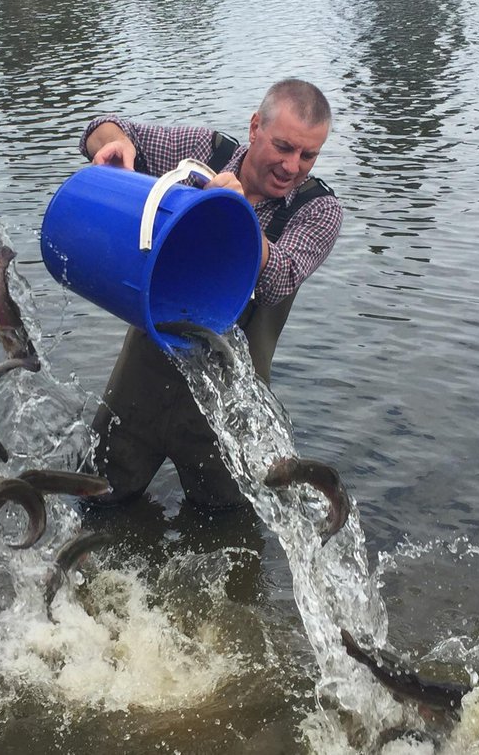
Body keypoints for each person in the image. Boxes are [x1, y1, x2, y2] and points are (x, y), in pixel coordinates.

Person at [81, 79, 342, 511]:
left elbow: (279, 278)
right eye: (283, 146)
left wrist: (235, 215)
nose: (293, 166)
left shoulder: (317, 210)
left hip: (230, 406)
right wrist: (113, 145)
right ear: (256, 126)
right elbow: (100, 127)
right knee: (95, 503)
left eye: (308, 155)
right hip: (142, 380)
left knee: (229, 537)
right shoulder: (203, 153)